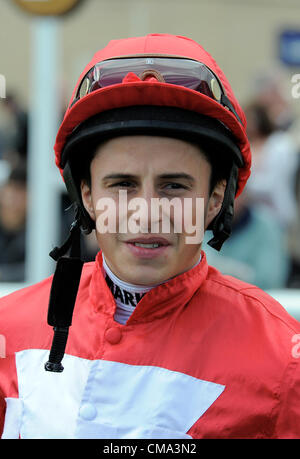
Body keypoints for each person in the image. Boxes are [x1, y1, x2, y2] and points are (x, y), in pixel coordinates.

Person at [0, 34, 299, 440]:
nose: (146, 212)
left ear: (214, 200)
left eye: (174, 186)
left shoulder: (283, 356)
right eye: (122, 184)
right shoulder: (7, 328)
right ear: (87, 196)